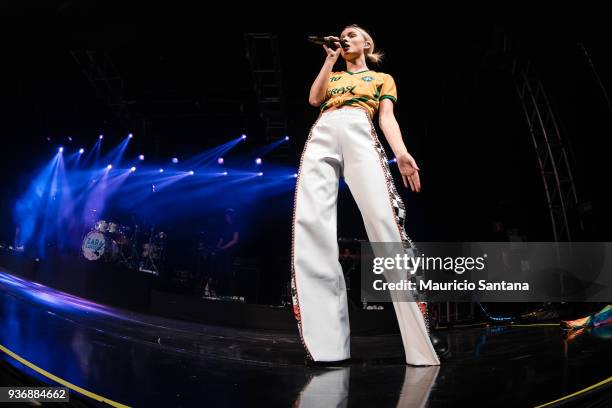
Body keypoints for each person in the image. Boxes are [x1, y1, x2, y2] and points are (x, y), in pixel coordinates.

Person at [291, 24, 443, 365]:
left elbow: (386, 117)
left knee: (384, 222)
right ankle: (327, 346)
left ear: (367, 43)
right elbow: (314, 100)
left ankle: (420, 340)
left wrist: (401, 153)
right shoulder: (332, 74)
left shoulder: (381, 78)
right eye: (341, 36)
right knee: (311, 225)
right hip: (324, 131)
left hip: (361, 127)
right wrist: (330, 59)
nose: (345, 39)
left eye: (352, 35)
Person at [215, 208, 240, 297]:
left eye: (227, 215)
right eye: (225, 215)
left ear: (230, 216)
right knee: (221, 272)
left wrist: (223, 247)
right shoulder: (225, 226)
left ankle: (230, 294)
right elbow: (221, 238)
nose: (225, 217)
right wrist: (218, 247)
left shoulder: (236, 225)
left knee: (228, 272)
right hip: (223, 251)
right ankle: (219, 293)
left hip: (230, 252)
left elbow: (235, 240)